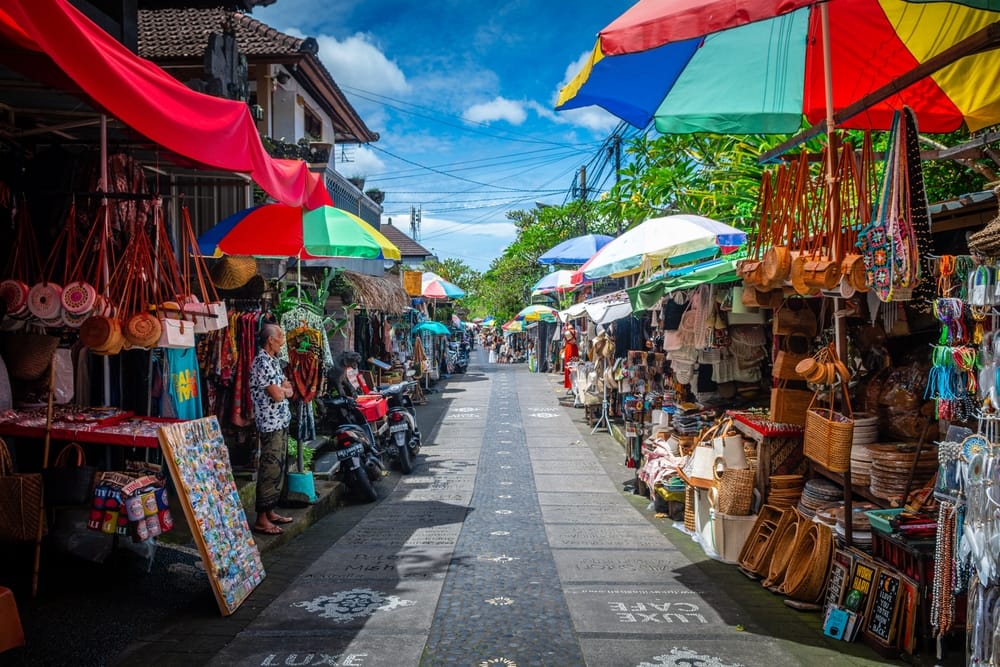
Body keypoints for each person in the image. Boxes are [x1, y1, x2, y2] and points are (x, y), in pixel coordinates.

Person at [249, 323, 294, 535]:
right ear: (271, 340)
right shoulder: (261, 362)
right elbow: (278, 394)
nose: (283, 341)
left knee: (278, 467)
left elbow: (289, 389)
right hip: (270, 424)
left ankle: (270, 512)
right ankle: (261, 518)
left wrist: (283, 390)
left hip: (281, 421)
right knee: (269, 468)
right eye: (281, 337)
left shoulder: (274, 361)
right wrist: (283, 391)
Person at [563, 322, 579, 389]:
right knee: (575, 365)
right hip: (575, 347)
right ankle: (574, 384)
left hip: (569, 348)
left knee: (568, 366)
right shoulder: (576, 332)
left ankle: (569, 385)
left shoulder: (567, 332)